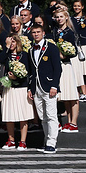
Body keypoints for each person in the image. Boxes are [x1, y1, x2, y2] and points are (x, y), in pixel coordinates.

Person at [28, 23, 62, 154]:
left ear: (43, 33)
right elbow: (32, 71)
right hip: (37, 87)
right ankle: (47, 140)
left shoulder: (51, 48)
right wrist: (30, 88)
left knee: (51, 115)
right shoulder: (31, 50)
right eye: (34, 32)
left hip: (49, 86)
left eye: (38, 32)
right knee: (43, 116)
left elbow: (57, 68)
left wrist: (54, 85)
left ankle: (52, 143)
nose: (36, 34)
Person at [1, 34, 34, 151]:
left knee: (22, 115)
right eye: (10, 42)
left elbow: (29, 72)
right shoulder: (7, 55)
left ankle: (23, 141)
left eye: (13, 42)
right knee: (9, 115)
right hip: (9, 88)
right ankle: (11, 140)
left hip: (21, 87)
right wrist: (6, 47)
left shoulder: (24, 55)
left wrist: (17, 77)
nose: (11, 44)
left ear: (18, 43)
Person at [52, 9, 80, 133]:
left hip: (67, 64)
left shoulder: (69, 32)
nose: (59, 19)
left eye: (61, 17)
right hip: (58, 65)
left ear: (66, 18)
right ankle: (68, 121)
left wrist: (64, 55)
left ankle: (74, 122)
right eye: (57, 17)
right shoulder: (55, 31)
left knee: (72, 96)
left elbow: (73, 51)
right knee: (66, 96)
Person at [71, 0, 86, 101]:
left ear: (82, 7)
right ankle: (80, 93)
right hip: (76, 46)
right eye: (75, 6)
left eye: (78, 6)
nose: (76, 8)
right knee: (78, 71)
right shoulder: (71, 19)